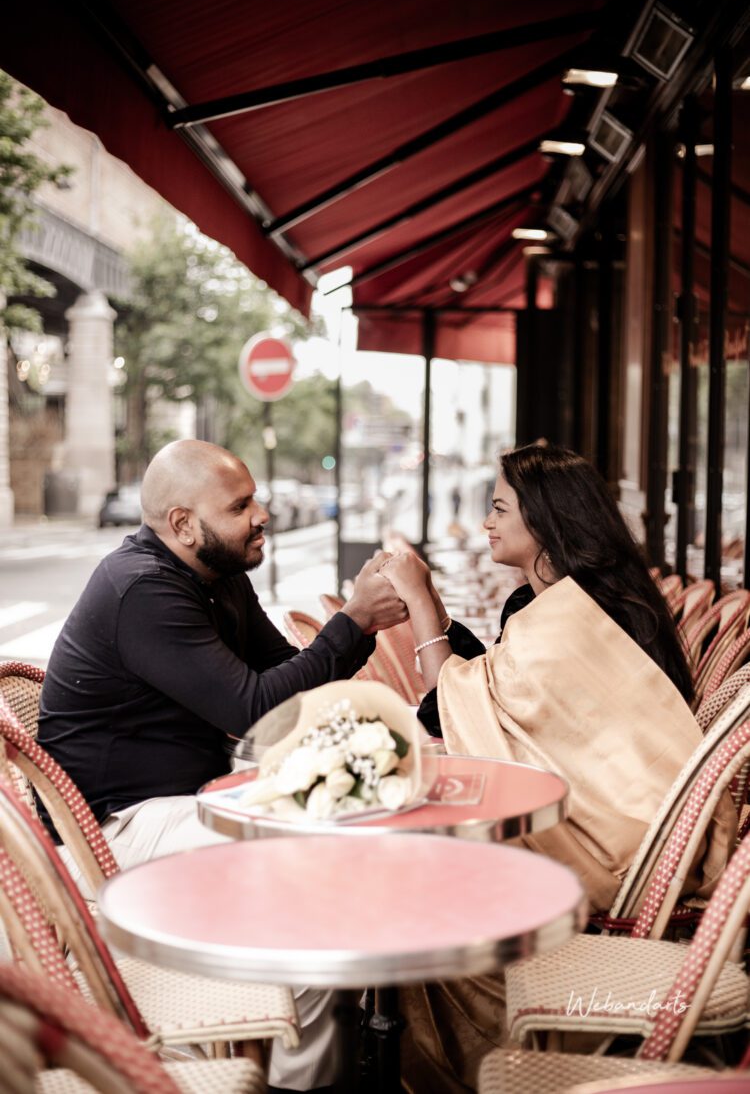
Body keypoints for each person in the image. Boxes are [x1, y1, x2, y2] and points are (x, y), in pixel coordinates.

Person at [38, 438, 406, 1093]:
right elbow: (251, 704)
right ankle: (305, 1081)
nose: (261, 513)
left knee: (359, 832)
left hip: (192, 799)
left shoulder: (218, 574)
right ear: (182, 524)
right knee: (320, 903)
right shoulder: (141, 590)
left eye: (256, 497)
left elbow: (277, 680)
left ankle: (316, 1055)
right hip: (118, 825)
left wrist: (359, 629)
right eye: (241, 505)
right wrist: (352, 619)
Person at [379, 443, 736, 1093]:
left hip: (611, 843)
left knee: (424, 872)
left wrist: (423, 606)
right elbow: (493, 688)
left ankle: (440, 1061)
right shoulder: (565, 600)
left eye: (497, 508)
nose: (484, 522)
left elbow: (449, 708)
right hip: (621, 814)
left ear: (545, 521)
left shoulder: (588, 612)